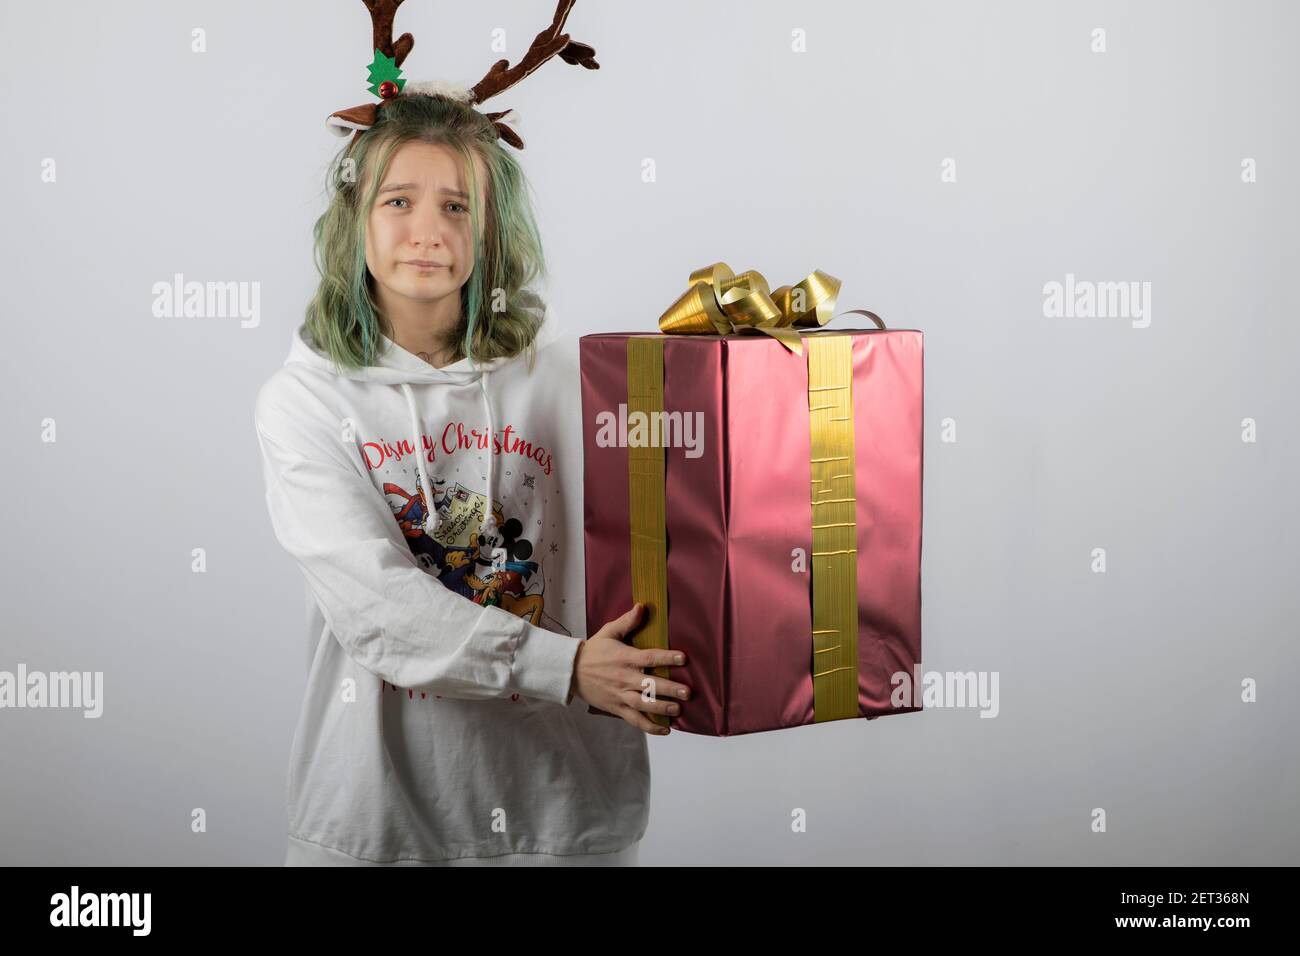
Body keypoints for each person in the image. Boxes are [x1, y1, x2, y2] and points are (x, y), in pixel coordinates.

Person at [253, 88, 691, 866]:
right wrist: (568, 667)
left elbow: (677, 521)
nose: (428, 232)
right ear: (355, 218)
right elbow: (378, 606)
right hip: (379, 823)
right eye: (399, 200)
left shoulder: (574, 376)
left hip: (567, 816)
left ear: (491, 229)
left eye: (457, 206)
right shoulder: (305, 400)